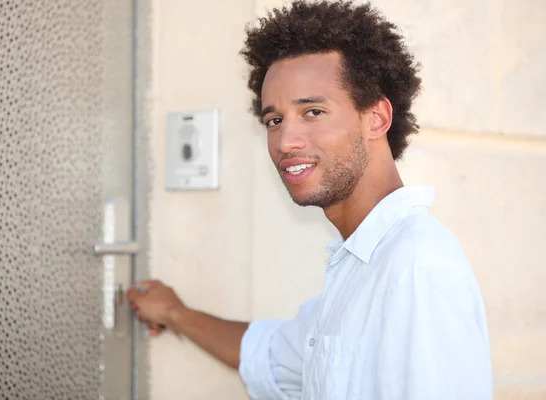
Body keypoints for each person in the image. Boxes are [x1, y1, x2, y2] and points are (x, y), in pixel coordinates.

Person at [126, 1, 493, 398]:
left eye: (313, 111)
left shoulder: (416, 266)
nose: (286, 141)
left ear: (377, 118)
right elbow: (271, 355)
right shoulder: (358, 263)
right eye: (274, 120)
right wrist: (175, 313)